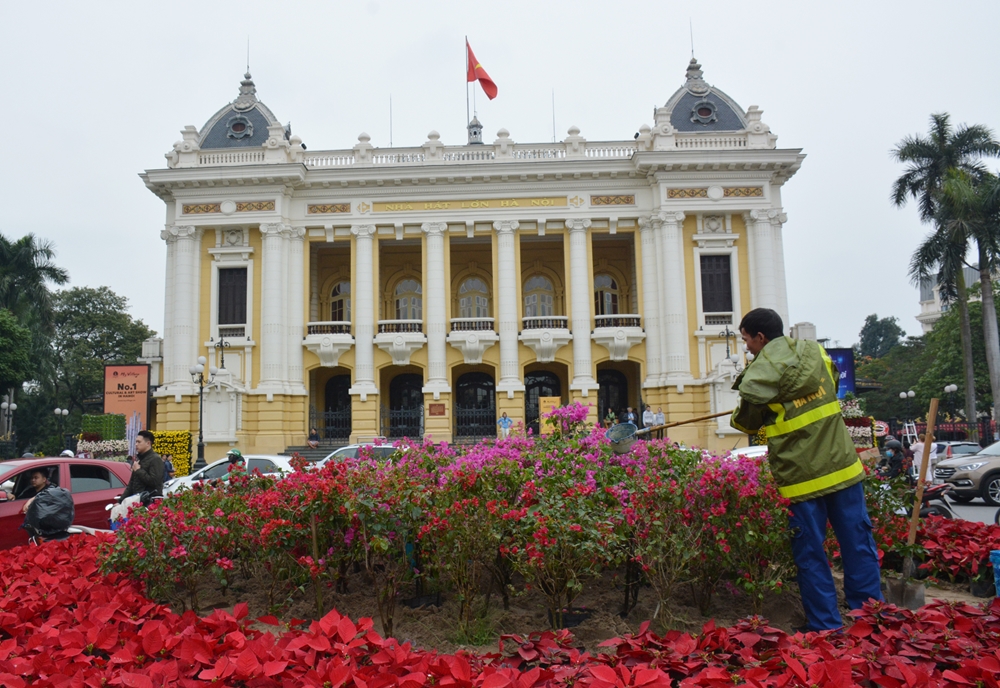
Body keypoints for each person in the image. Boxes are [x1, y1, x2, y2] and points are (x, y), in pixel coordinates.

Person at [730, 308, 883, 632]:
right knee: (858, 544)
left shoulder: (757, 376)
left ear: (760, 337)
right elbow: (832, 384)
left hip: (801, 479)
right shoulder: (816, 353)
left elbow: (746, 422)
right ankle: (871, 619)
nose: (747, 347)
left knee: (811, 554)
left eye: (746, 340)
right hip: (842, 466)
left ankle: (826, 627)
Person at [121, 430, 164, 499]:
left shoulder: (155, 459)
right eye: (136, 442)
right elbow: (131, 484)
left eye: (139, 442)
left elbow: (155, 482)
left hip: (149, 501)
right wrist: (120, 501)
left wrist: (138, 470)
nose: (136, 444)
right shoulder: (139, 459)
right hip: (137, 500)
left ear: (148, 443)